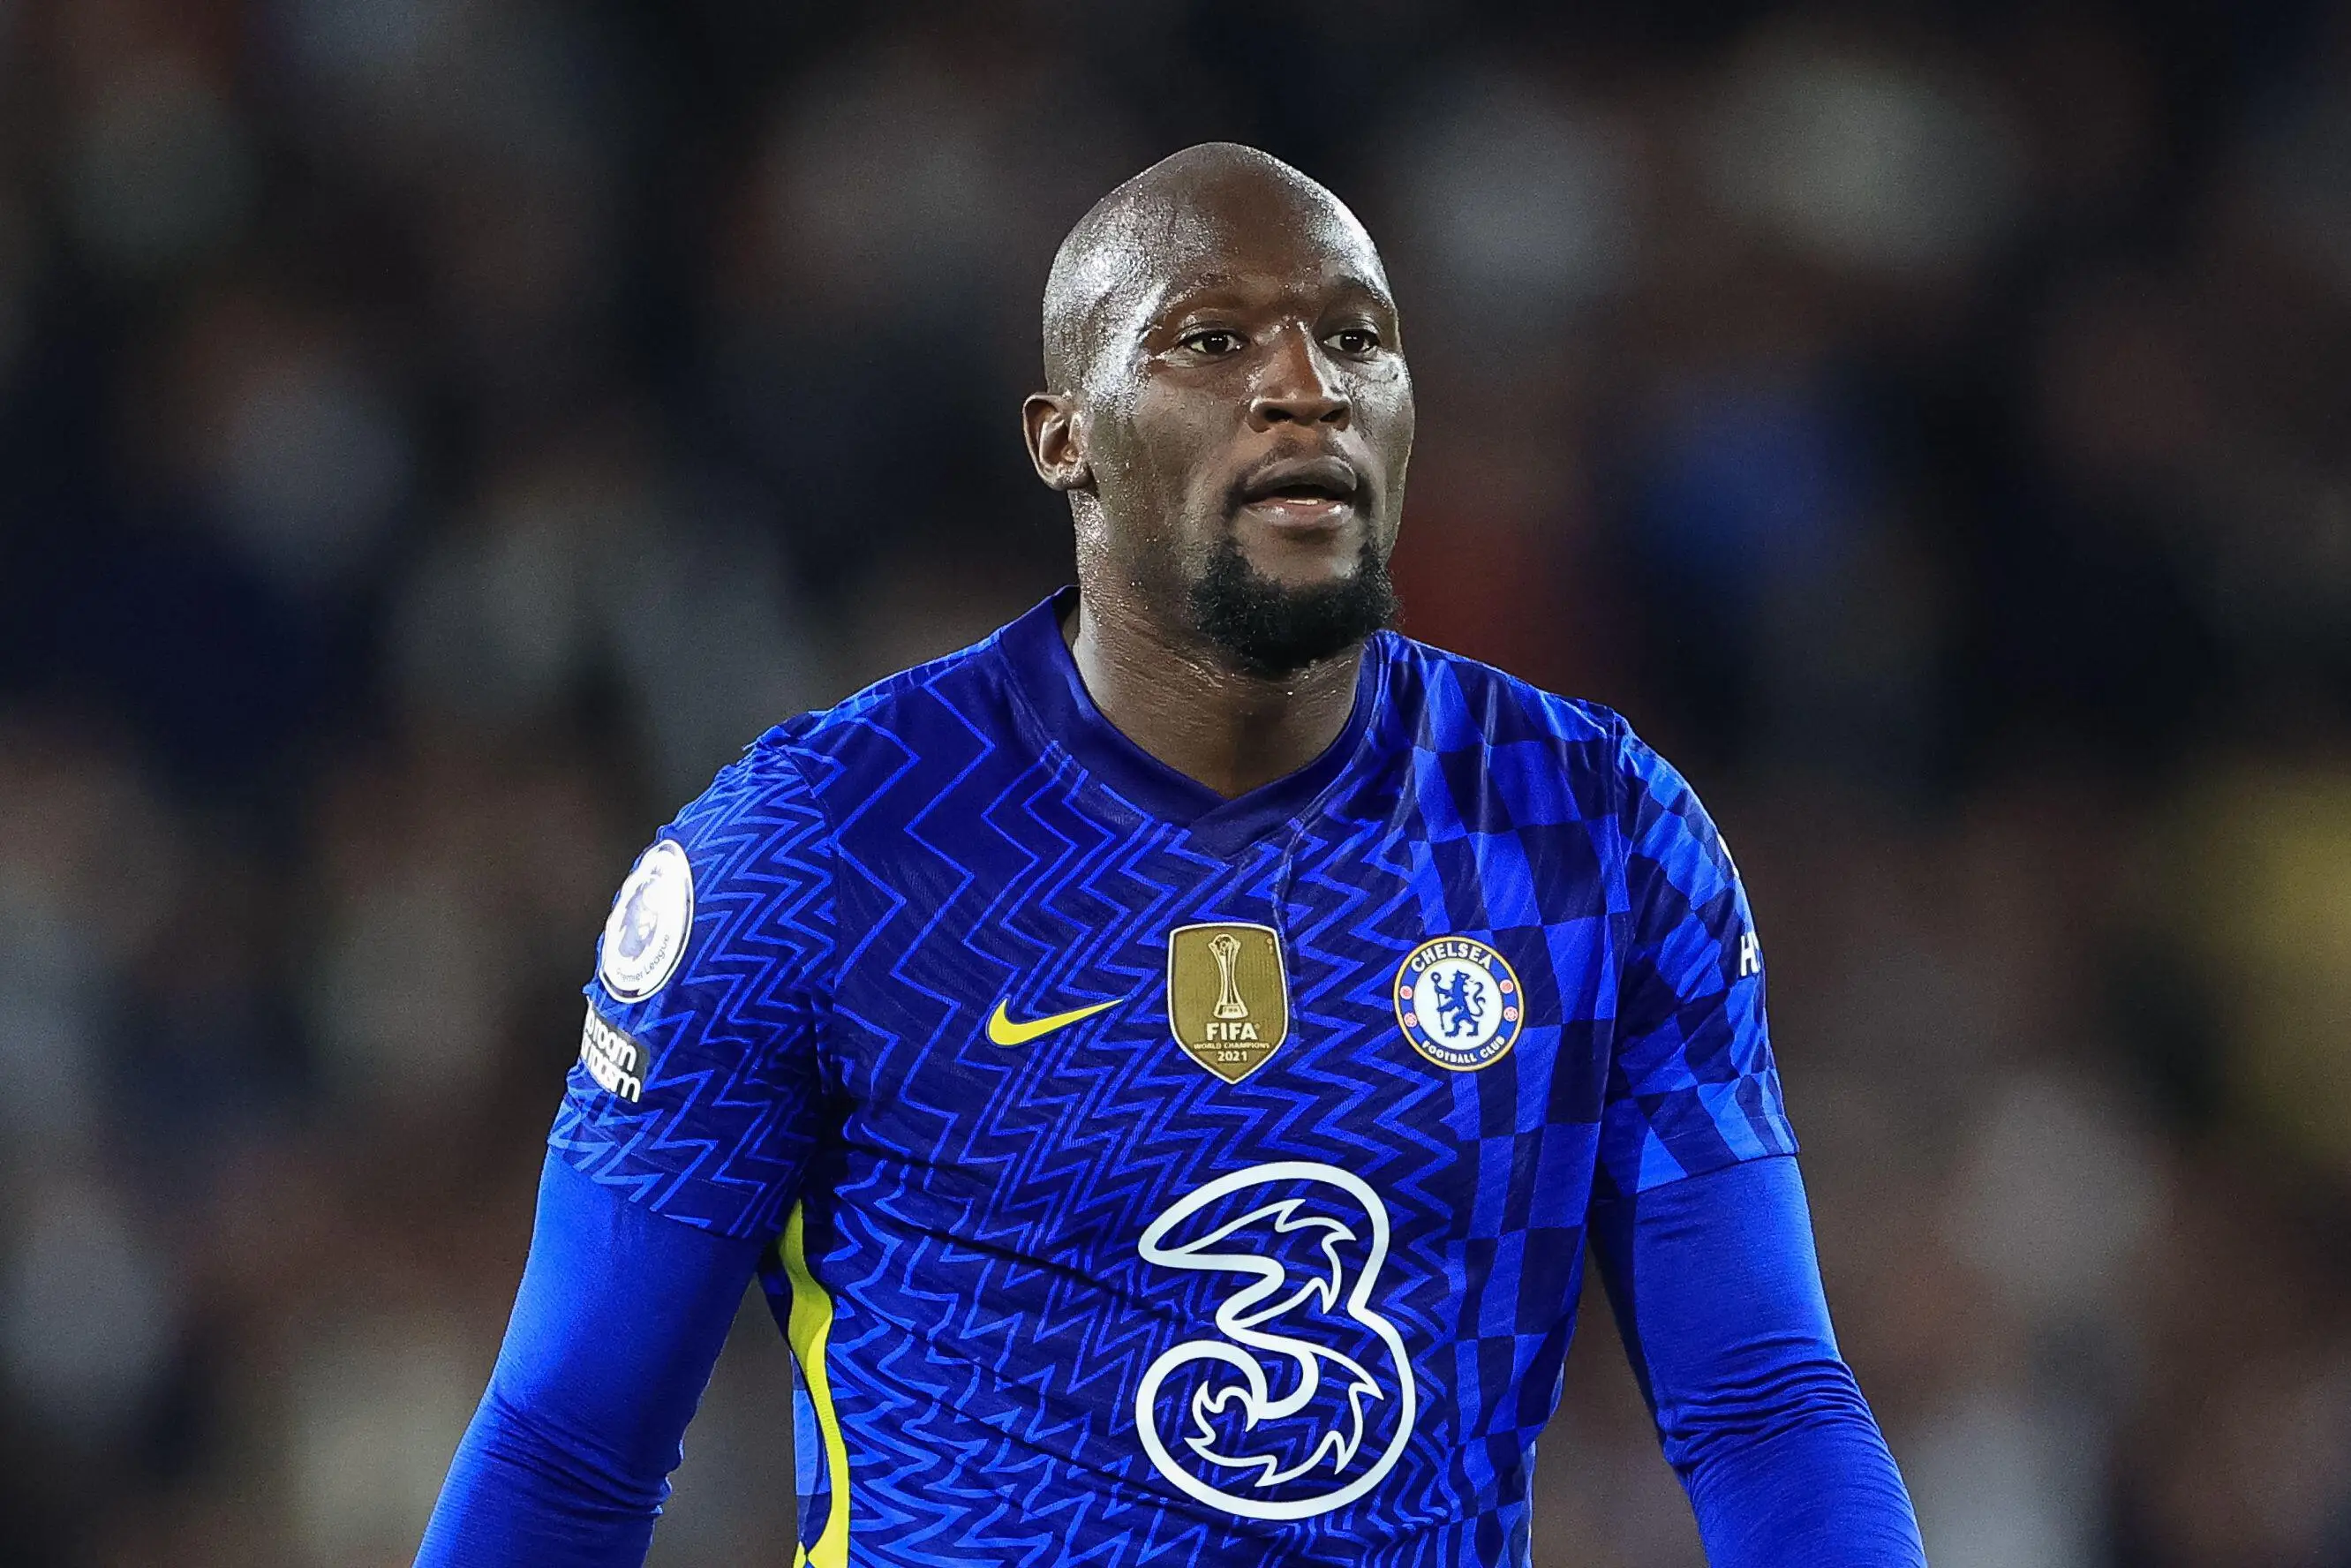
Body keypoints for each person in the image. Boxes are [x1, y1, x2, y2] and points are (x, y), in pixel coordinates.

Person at [416, 143, 1925, 1567]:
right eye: (1212, 341)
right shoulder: (827, 852)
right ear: (1063, 440)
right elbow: (568, 1445)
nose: (1304, 390)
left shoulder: (1584, 829)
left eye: (1357, 339)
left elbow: (1761, 1406)